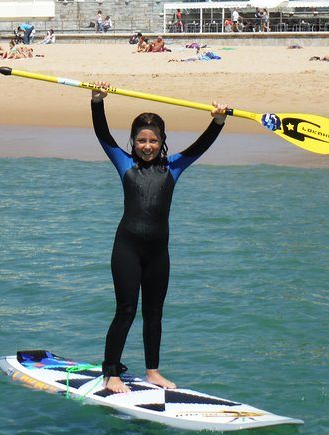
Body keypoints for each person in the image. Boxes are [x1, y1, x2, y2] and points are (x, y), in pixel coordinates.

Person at [90, 82, 227, 394]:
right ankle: (111, 372)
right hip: (127, 248)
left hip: (158, 253)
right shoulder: (124, 163)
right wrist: (97, 102)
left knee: (154, 313)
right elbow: (103, 135)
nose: (147, 145)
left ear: (163, 141)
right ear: (133, 142)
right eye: (141, 140)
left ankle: (153, 371)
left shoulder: (174, 167)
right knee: (126, 310)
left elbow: (201, 146)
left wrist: (217, 121)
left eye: (153, 140)